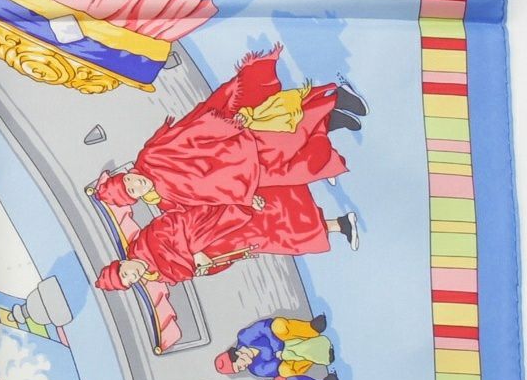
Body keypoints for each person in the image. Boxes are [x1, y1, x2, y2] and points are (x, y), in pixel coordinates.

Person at [93, 47, 367, 292]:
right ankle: (330, 120)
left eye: (128, 182)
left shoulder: (152, 163)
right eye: (132, 193)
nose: (135, 186)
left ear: (122, 262)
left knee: (281, 145)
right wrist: (237, 203)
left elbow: (190, 137)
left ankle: (333, 101)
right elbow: (203, 208)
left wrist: (224, 130)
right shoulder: (159, 250)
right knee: (287, 180)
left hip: (232, 155)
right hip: (236, 193)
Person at [214, 315, 333, 379]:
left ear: (237, 354)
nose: (243, 368)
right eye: (240, 370)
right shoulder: (256, 369)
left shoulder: (245, 337)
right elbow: (276, 367)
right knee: (285, 371)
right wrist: (282, 353)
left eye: (239, 366)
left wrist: (277, 348)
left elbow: (266, 327)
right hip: (290, 353)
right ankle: (316, 355)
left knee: (278, 325)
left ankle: (311, 329)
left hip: (286, 335)